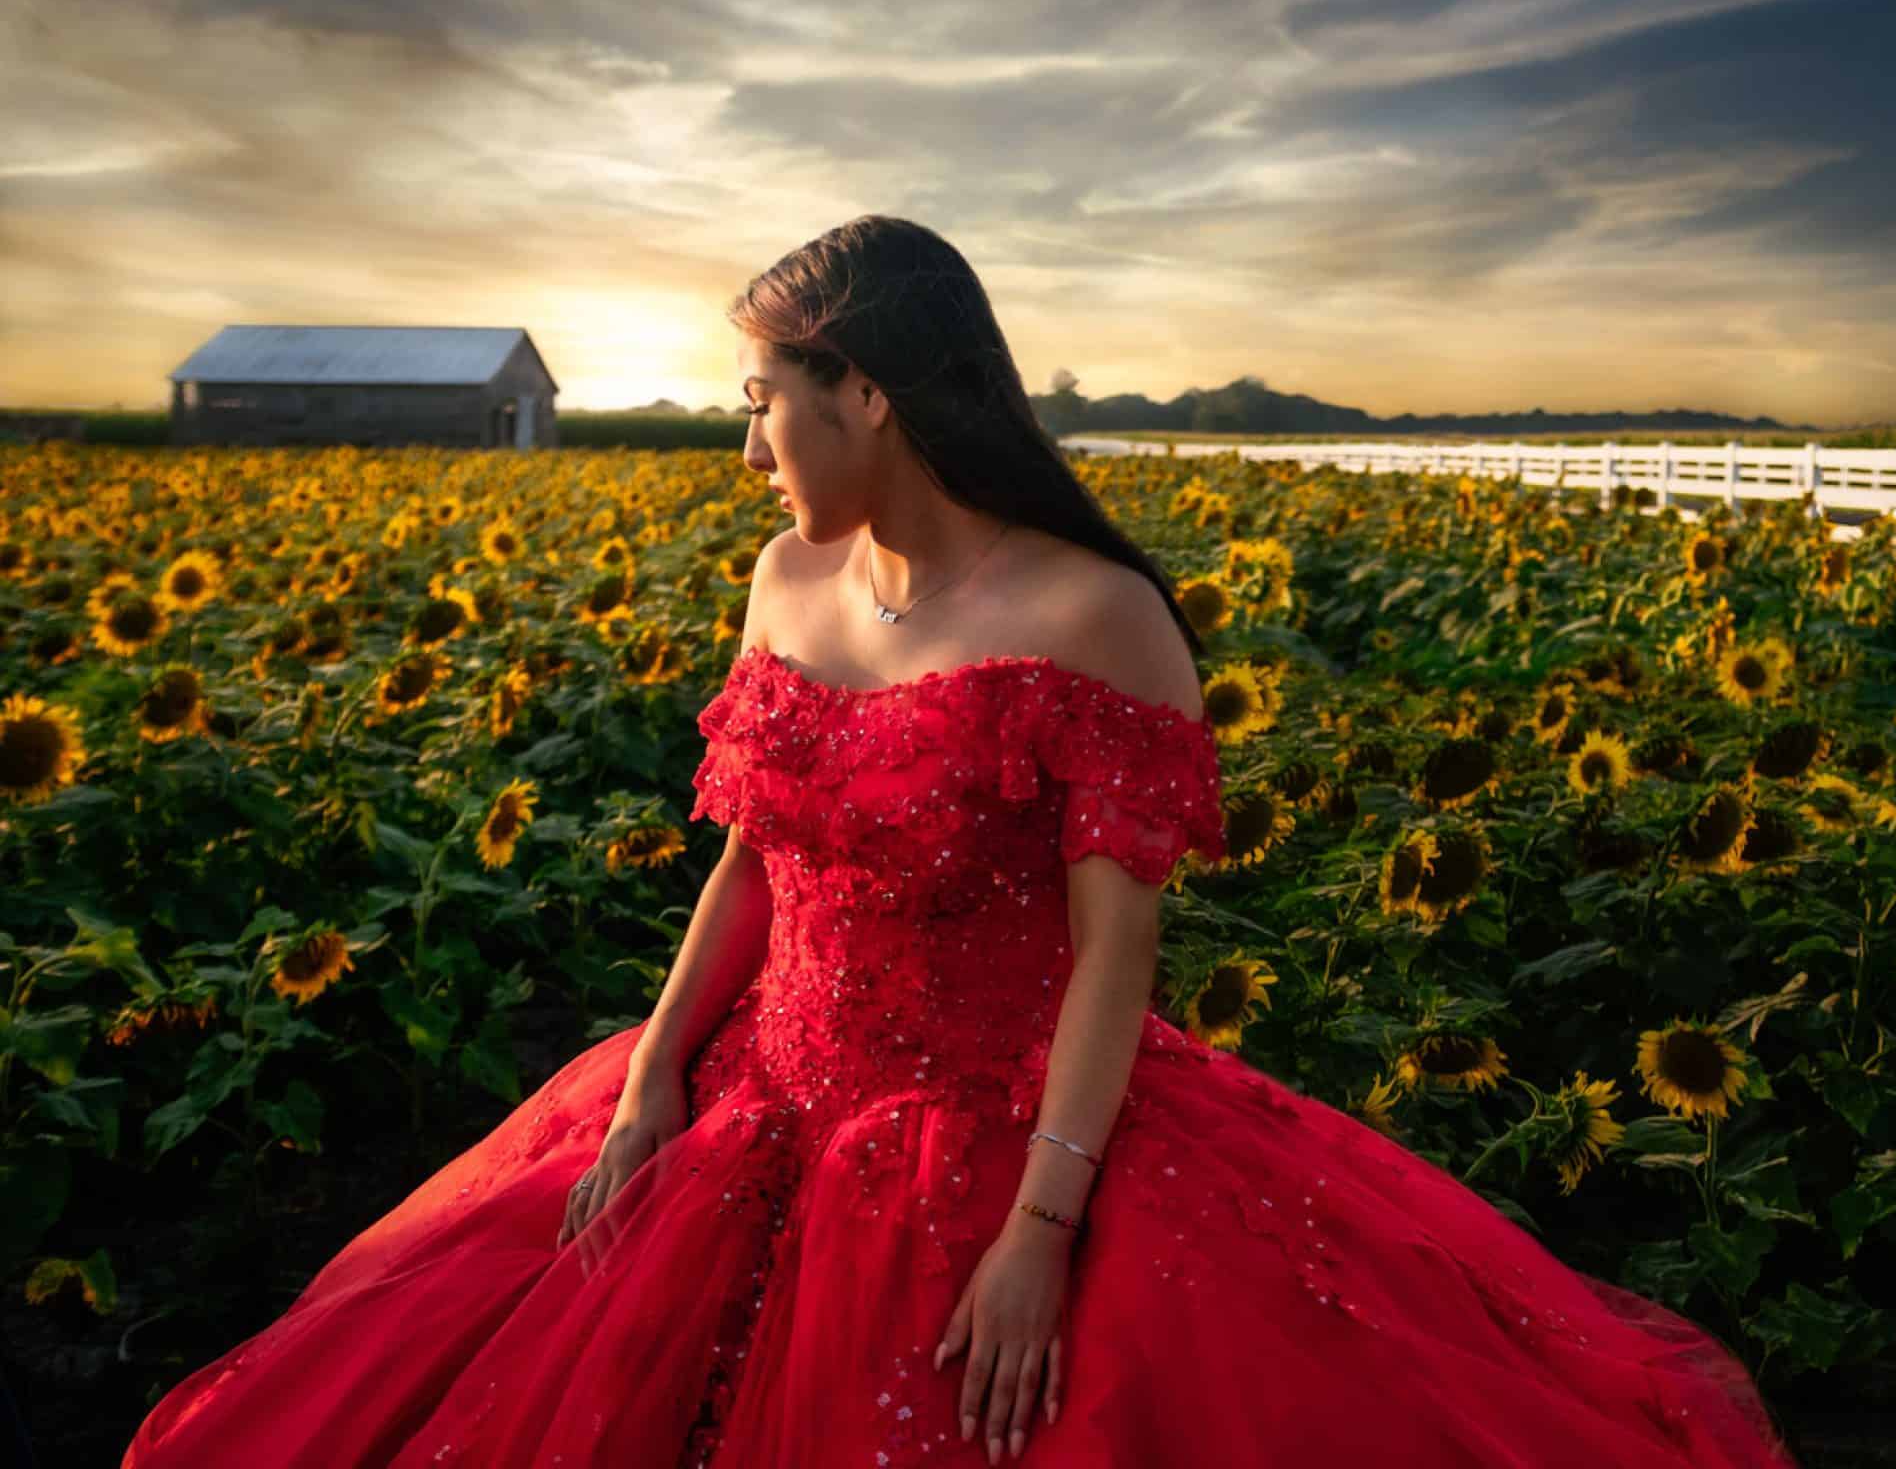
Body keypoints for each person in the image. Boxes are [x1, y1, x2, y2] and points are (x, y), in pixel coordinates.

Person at [123, 216, 1799, 1467]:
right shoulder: (785, 585)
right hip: (748, 1101)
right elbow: (751, 867)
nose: (747, 441)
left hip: (1006, 1140)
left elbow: (1116, 959)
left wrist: (1039, 1240)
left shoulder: (1094, 614)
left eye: (764, 401)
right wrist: (643, 1097)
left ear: (866, 392)